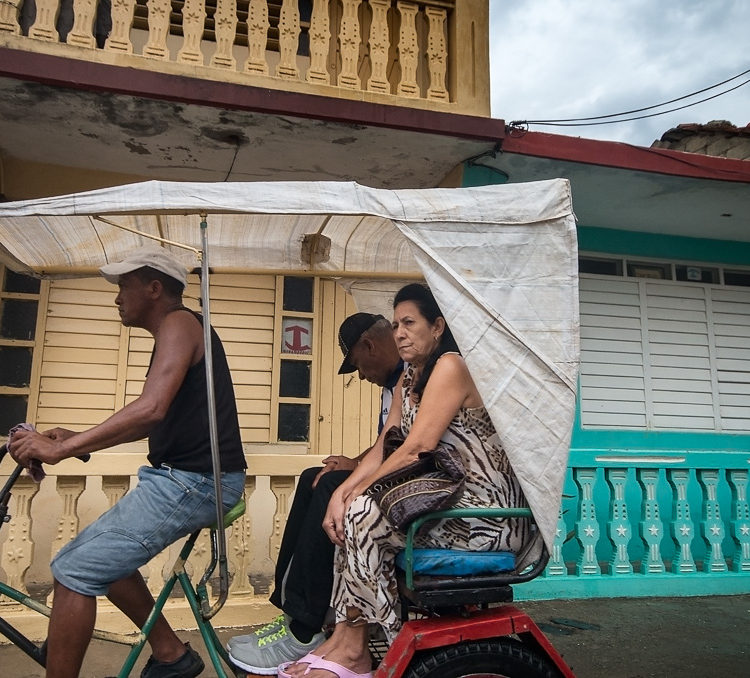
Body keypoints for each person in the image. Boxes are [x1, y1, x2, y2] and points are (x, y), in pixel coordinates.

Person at [8, 246, 247, 678]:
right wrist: (77, 441)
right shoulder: (179, 330)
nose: (117, 297)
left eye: (123, 286)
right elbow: (150, 416)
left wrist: (61, 450)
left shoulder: (179, 322)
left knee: (72, 570)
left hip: (194, 482)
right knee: (100, 556)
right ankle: (171, 654)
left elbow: (150, 408)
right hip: (182, 479)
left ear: (155, 288)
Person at [279, 282, 531, 678]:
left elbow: (417, 448)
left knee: (362, 514)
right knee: (350, 512)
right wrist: (342, 492)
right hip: (446, 508)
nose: (399, 332)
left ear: (437, 326)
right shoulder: (409, 377)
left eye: (409, 322)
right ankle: (346, 639)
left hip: (486, 514)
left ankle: (367, 647)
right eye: (395, 324)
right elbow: (385, 444)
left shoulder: (452, 365)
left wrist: (358, 493)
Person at [228, 313, 403, 675]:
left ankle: (306, 626)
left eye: (356, 364)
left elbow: (412, 447)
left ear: (369, 346)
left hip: (413, 487)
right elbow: (387, 444)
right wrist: (351, 464)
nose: (360, 376)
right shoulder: (394, 383)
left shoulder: (415, 377)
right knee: (315, 477)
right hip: (395, 477)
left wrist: (350, 481)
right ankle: (295, 615)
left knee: (329, 486)